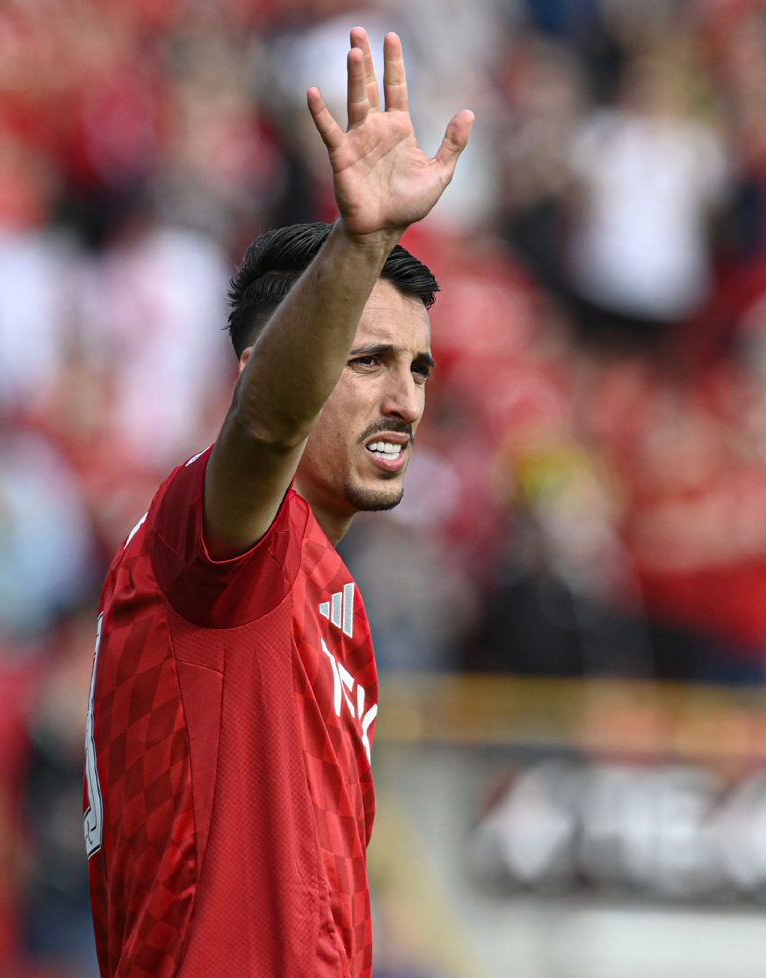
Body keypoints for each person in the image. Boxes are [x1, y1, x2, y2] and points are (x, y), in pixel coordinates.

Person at [82, 27, 473, 978]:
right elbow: (263, 433)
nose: (407, 399)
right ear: (271, 369)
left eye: (419, 368)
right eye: (369, 361)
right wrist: (360, 241)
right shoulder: (213, 544)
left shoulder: (327, 596)